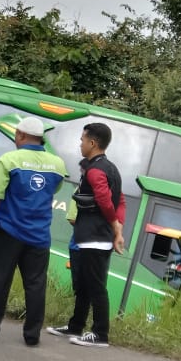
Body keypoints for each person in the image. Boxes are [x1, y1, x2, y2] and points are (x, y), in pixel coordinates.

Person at [0, 116, 67, 347]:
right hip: (39, 235)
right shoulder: (58, 164)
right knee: (35, 285)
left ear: (21, 135)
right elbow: (54, 189)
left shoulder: (9, 159)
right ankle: (32, 336)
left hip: (8, 231)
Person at [47, 123, 127, 348]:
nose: (79, 143)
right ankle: (75, 325)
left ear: (93, 143)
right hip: (92, 235)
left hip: (95, 236)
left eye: (82, 140)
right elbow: (120, 201)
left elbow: (104, 200)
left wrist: (114, 226)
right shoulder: (109, 168)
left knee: (95, 285)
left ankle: (100, 333)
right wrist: (118, 227)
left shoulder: (96, 170)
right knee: (83, 284)